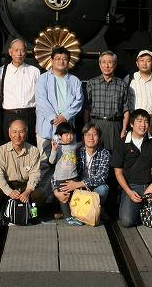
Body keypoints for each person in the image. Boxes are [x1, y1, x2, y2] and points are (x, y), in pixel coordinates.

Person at [35, 46, 84, 199]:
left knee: (67, 163)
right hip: (47, 129)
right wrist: (54, 118)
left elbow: (78, 101)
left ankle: (65, 199)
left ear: (68, 61)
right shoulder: (43, 79)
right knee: (45, 164)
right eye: (57, 59)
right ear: (51, 60)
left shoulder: (74, 80)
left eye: (64, 59)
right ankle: (48, 199)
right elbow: (41, 100)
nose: (61, 61)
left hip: (67, 130)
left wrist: (65, 116)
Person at [53, 122, 111, 223]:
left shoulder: (104, 153)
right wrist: (55, 191)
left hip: (92, 187)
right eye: (88, 134)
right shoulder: (75, 151)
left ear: (99, 137)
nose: (91, 138)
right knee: (64, 188)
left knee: (103, 189)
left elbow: (101, 177)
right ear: (83, 138)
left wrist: (80, 184)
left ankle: (93, 211)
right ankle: (76, 212)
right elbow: (57, 173)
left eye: (94, 134)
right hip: (77, 188)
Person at [0, 119, 46, 214]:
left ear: (26, 133)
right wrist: (10, 192)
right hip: (9, 184)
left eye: (21, 132)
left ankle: (32, 215)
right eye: (14, 132)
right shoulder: (1, 151)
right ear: (9, 133)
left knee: (40, 194)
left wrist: (27, 192)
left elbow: (35, 174)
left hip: (26, 185)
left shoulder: (34, 150)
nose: (17, 135)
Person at [0, 38, 41, 145]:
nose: (19, 54)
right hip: (9, 115)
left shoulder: (34, 71)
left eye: (22, 50)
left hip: (29, 115)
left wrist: (38, 122)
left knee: (29, 147)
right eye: (16, 50)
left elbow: (39, 98)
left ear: (26, 52)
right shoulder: (1, 71)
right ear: (10, 52)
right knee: (9, 148)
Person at [85, 51, 130, 152]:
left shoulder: (122, 85)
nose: (106, 65)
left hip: (114, 125)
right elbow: (87, 108)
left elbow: (126, 109)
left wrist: (123, 130)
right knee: (94, 154)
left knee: (114, 156)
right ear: (100, 64)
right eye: (104, 62)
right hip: (95, 124)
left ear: (115, 64)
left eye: (110, 62)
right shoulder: (92, 83)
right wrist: (86, 128)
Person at [48, 122, 82, 225]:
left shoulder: (74, 145)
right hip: (61, 178)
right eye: (66, 134)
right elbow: (51, 161)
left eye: (71, 134)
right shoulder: (58, 147)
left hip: (74, 177)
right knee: (63, 198)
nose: (69, 137)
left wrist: (84, 142)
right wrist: (54, 150)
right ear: (59, 136)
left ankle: (76, 215)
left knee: (74, 197)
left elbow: (79, 144)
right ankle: (68, 218)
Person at [125, 50, 152, 134]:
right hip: (135, 120)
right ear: (137, 63)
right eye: (142, 60)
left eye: (148, 61)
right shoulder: (130, 79)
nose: (144, 63)